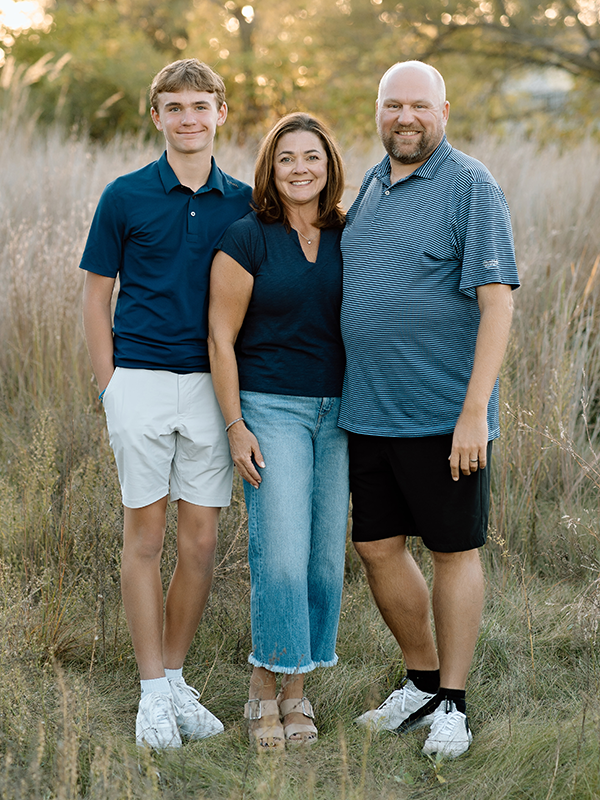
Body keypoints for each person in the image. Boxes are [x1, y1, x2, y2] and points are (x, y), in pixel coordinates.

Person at [340, 61, 519, 758]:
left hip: (444, 414)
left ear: (444, 110)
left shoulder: (471, 185)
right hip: (368, 410)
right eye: (393, 105)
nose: (405, 117)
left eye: (419, 105)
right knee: (377, 547)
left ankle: (454, 702)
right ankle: (420, 682)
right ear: (378, 110)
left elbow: (497, 303)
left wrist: (474, 412)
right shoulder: (371, 184)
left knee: (452, 550)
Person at [80, 58, 253, 749]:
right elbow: (96, 294)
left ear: (220, 114)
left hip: (213, 387)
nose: (188, 118)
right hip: (141, 381)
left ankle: (175, 678)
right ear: (156, 117)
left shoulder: (245, 202)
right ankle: (151, 692)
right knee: (145, 538)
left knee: (202, 542)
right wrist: (110, 386)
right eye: (174, 107)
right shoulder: (123, 195)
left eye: (200, 106)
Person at [208, 112, 349, 750]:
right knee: (282, 555)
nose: (300, 168)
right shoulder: (247, 238)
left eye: (312, 157)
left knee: (322, 560)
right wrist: (235, 424)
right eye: (287, 157)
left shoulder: (348, 232)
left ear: (329, 166)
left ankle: (296, 687)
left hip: (340, 414)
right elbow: (220, 338)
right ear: (271, 166)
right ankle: (265, 690)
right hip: (271, 409)